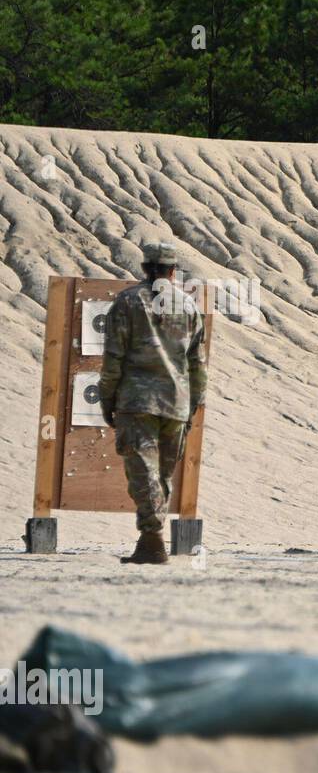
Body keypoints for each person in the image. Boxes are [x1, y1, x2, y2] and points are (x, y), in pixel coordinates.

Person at [99, 241, 207, 564]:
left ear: (145, 269)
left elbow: (113, 358)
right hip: (176, 403)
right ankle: (151, 536)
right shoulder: (188, 307)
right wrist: (193, 405)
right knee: (161, 475)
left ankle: (152, 539)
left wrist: (107, 398)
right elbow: (197, 364)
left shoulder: (127, 302)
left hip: (137, 402)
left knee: (143, 473)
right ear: (173, 271)